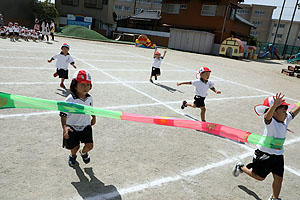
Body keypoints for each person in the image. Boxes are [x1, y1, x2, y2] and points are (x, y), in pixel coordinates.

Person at [232, 93, 300, 200]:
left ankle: (274, 198)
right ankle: (241, 167)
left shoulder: (285, 120)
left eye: (286, 109)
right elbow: (267, 117)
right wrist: (273, 106)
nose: (286, 112)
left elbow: (293, 113)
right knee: (259, 177)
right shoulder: (271, 122)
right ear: (273, 112)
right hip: (264, 154)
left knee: (279, 179)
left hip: (278, 155)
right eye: (283, 110)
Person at [60, 69, 96, 167]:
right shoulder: (70, 99)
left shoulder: (89, 98)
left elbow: (90, 109)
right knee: (74, 146)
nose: (85, 87)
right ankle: (73, 155)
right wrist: (65, 127)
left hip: (85, 125)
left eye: (88, 84)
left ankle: (83, 152)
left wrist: (93, 117)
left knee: (90, 145)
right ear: (75, 85)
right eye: (82, 84)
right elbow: (63, 114)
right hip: (72, 126)